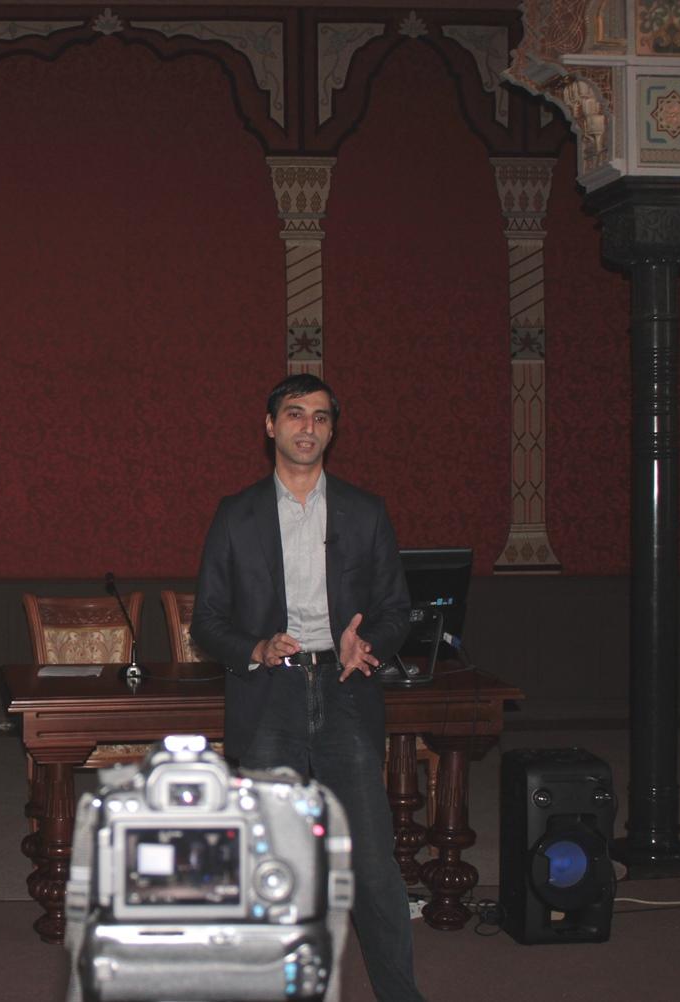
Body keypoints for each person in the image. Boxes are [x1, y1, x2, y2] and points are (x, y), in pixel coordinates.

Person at [191, 372, 425, 1002]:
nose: (308, 428)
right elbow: (206, 621)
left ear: (333, 431)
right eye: (295, 415)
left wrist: (368, 641)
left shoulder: (364, 510)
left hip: (345, 690)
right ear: (270, 426)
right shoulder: (236, 514)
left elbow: (397, 608)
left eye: (321, 418)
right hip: (270, 699)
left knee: (373, 867)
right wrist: (256, 647)